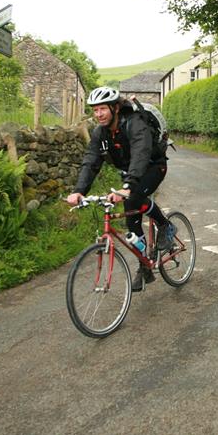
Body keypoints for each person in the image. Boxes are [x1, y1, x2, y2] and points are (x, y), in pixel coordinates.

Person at [66, 86, 175, 292]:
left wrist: (129, 185)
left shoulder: (134, 123)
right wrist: (79, 190)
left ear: (115, 108)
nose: (98, 114)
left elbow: (141, 152)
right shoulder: (100, 133)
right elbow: (91, 162)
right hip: (130, 173)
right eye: (95, 110)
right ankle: (144, 264)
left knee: (133, 199)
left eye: (102, 109)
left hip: (153, 166)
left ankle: (165, 225)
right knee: (130, 218)